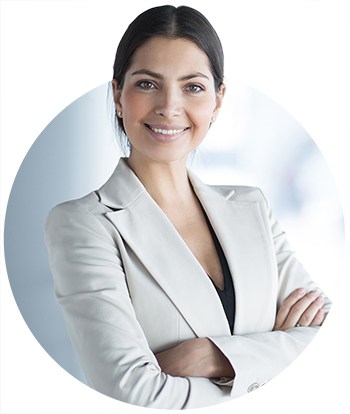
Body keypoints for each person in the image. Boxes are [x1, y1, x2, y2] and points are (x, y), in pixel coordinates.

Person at [45, 5, 330, 410]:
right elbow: (134, 393)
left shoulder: (252, 207)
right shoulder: (82, 225)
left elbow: (329, 339)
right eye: (147, 84)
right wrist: (272, 358)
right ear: (117, 96)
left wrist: (216, 357)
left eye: (193, 87)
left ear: (217, 101)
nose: (169, 106)